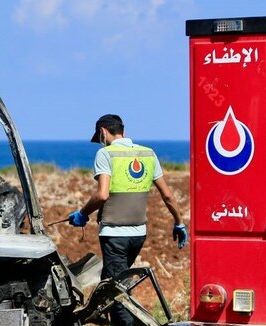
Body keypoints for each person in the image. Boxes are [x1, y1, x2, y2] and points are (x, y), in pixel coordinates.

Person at [68, 114, 188, 283]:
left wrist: (82, 214)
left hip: (114, 234)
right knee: (112, 282)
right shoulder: (148, 153)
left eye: (100, 138)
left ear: (103, 132)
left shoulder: (105, 154)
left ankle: (123, 309)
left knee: (115, 291)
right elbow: (168, 195)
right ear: (123, 131)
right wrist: (179, 222)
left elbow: (102, 195)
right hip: (139, 234)